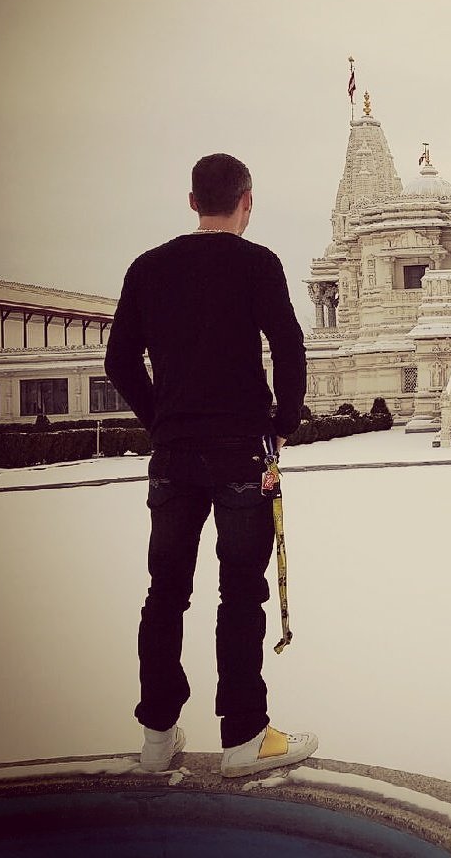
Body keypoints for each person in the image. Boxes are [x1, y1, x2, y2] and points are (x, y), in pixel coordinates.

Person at [105, 153, 316, 778]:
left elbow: (120, 362)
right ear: (246, 201)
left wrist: (162, 419)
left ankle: (156, 736)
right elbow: (288, 344)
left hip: (174, 457)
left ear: (192, 201)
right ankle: (245, 735)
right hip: (242, 452)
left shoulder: (148, 268)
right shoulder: (258, 264)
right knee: (239, 594)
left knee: (164, 595)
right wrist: (284, 419)